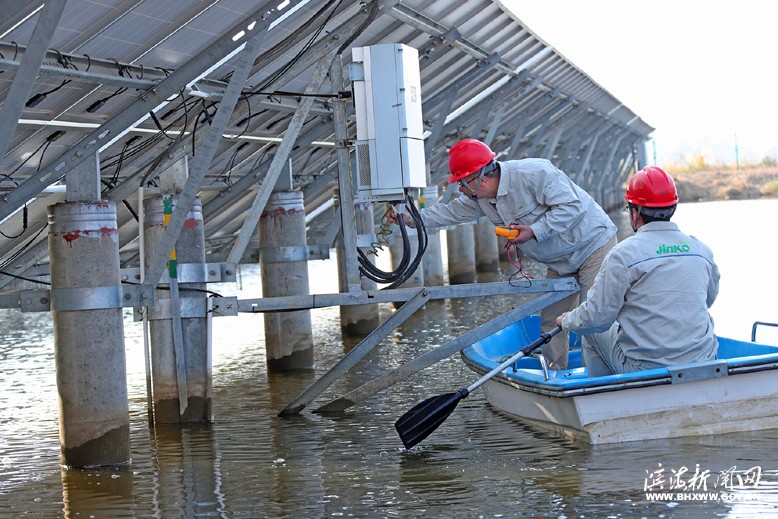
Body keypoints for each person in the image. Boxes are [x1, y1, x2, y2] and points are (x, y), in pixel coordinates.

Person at [388, 138, 617, 370]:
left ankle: (599, 376)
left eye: (462, 183)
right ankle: (556, 376)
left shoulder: (535, 173)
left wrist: (534, 231)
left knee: (593, 318)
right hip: (559, 261)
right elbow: (449, 213)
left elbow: (572, 207)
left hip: (593, 246)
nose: (460, 189)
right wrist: (409, 218)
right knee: (550, 321)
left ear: (481, 179)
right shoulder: (480, 198)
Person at [555, 166, 720, 376]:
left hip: (646, 368)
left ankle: (603, 395)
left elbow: (597, 318)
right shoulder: (701, 250)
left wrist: (567, 321)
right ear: (673, 207)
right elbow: (708, 299)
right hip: (704, 360)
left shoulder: (624, 254)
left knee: (592, 333)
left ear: (634, 212)